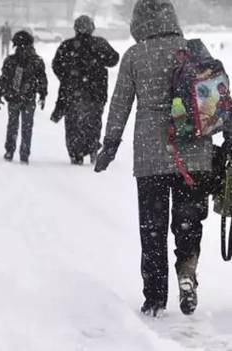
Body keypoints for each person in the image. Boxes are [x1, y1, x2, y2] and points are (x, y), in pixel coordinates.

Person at [94, 0, 221, 317]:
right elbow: (212, 100)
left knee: (152, 228)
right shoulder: (193, 50)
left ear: (138, 22)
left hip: (151, 156)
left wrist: (110, 144)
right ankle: (187, 271)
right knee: (188, 223)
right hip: (193, 155)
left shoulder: (135, 56)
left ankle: (154, 298)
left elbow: (120, 104)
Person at [52, 15, 119, 165]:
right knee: (93, 122)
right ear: (91, 28)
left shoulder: (67, 46)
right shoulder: (99, 43)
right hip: (96, 93)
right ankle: (92, 147)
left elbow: (56, 65)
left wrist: (67, 77)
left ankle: (76, 153)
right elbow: (114, 59)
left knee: (73, 125)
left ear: (76, 28)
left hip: (72, 93)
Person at [0, 31, 47, 165]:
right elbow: (42, 79)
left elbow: (4, 79)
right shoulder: (37, 61)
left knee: (12, 125)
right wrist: (42, 94)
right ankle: (24, 153)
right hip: (29, 98)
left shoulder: (11, 60)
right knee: (27, 126)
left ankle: (9, 150)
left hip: (13, 97)